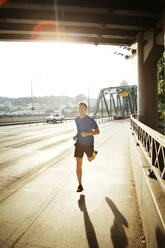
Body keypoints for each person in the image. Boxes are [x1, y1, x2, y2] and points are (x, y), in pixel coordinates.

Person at [73, 102, 100, 192]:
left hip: (88, 144)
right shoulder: (76, 119)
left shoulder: (90, 120)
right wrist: (76, 136)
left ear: (86, 109)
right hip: (79, 144)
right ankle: (80, 185)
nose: (81, 109)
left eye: (83, 108)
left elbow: (97, 131)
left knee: (90, 159)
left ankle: (94, 154)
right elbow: (79, 130)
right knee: (78, 164)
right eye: (79, 108)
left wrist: (87, 134)